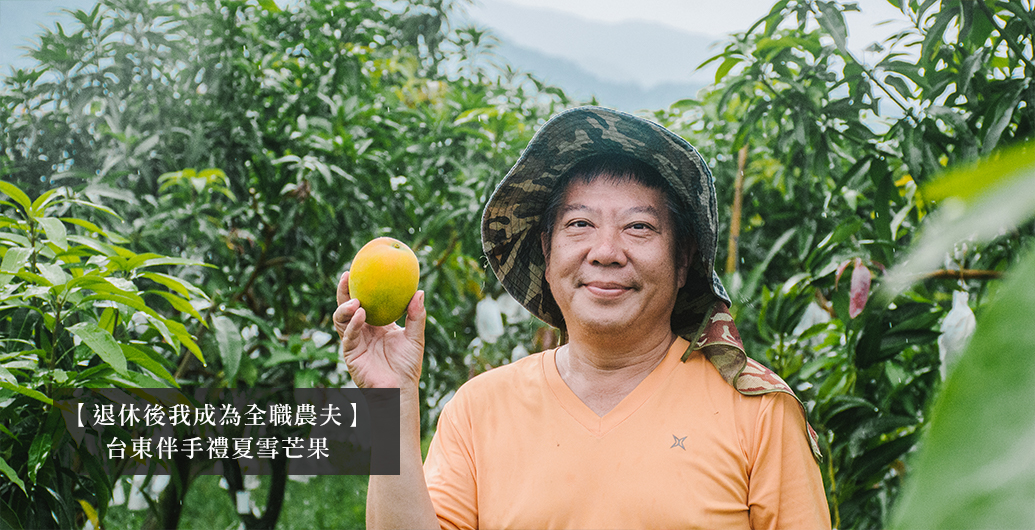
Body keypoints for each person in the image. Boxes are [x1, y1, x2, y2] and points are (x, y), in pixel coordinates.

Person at [334, 106, 831, 529]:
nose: (606, 251)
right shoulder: (480, 410)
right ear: (547, 253)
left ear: (683, 261)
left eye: (639, 226)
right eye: (580, 224)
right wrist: (390, 402)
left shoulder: (758, 412)